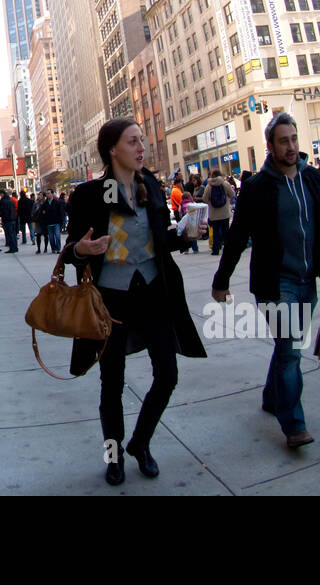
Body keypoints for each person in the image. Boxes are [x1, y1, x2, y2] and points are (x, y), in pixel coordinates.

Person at [62, 118, 207, 485]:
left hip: (155, 293)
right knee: (112, 383)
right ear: (113, 150)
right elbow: (71, 253)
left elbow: (160, 241)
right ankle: (114, 457)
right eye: (132, 141)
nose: (141, 147)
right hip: (110, 301)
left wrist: (185, 235)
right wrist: (81, 248)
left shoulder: (152, 187)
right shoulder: (90, 195)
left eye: (142, 140)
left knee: (168, 374)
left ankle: (140, 443)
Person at [212, 112, 320, 449]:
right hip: (276, 284)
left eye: (293, 139)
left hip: (307, 280)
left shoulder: (312, 179)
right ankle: (294, 426)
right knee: (291, 351)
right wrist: (222, 279)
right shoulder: (258, 188)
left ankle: (272, 396)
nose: (290, 147)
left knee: (286, 346)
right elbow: (237, 235)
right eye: (283, 141)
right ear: (270, 146)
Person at [204, 169, 236, 257]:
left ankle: (215, 250)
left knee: (216, 232)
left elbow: (205, 199)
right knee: (226, 231)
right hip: (224, 212)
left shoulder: (208, 186)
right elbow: (232, 194)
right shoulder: (225, 184)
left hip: (214, 214)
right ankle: (228, 249)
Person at [0, 189, 19, 253]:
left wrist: (0, 215)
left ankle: (12, 248)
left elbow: (2, 210)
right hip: (12, 219)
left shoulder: (3, 201)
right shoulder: (11, 200)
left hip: (7, 219)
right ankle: (15, 247)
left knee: (9, 234)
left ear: (2, 194)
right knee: (13, 234)